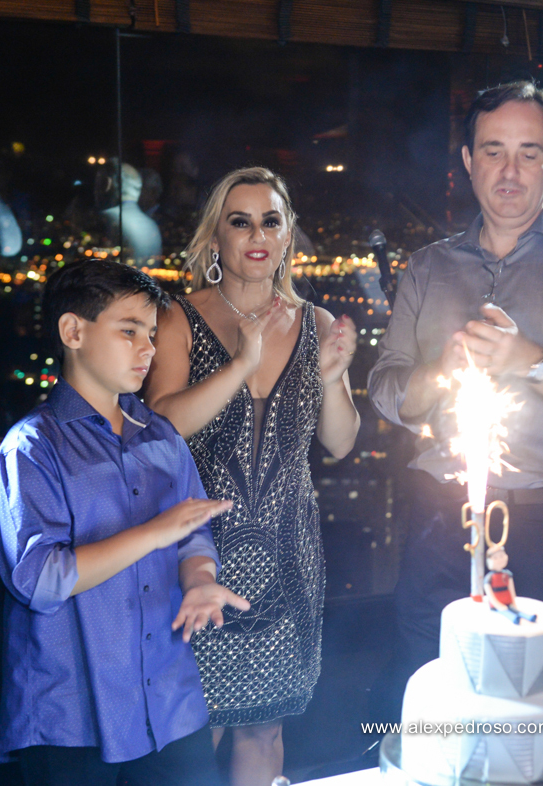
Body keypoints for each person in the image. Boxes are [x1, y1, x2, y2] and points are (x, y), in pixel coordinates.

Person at [368, 80, 543, 680]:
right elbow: (386, 389)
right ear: (468, 162)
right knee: (427, 673)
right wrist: (441, 371)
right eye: (493, 151)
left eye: (529, 152)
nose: (509, 170)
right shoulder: (428, 265)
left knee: (534, 688)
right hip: (442, 509)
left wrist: (530, 361)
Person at [0, 259, 248, 786]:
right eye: (129, 330)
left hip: (170, 696)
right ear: (73, 331)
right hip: (70, 714)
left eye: (151, 334)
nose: (148, 348)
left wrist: (199, 580)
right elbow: (41, 579)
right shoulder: (32, 446)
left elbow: (193, 531)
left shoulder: (161, 436)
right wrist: (156, 531)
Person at [145, 167, 359, 786]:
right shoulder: (179, 319)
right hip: (198, 560)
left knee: (265, 727)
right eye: (240, 221)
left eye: (271, 219)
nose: (256, 234)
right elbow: (165, 425)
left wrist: (331, 378)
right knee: (192, 734)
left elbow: (341, 443)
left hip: (290, 560)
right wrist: (243, 362)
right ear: (216, 239)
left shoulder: (316, 322)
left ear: (289, 235)